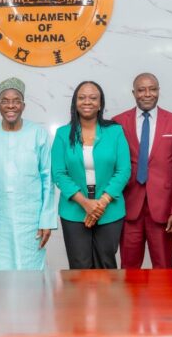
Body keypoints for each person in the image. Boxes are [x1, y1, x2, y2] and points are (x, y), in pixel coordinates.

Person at [0, 78, 56, 270]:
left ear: (23, 105)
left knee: (31, 272)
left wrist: (46, 220)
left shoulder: (38, 134)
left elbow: (47, 180)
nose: (11, 105)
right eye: (5, 101)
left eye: (16, 100)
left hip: (30, 222)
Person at [112, 73, 172, 269]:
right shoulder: (118, 122)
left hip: (163, 212)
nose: (147, 94)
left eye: (152, 89)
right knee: (128, 269)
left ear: (158, 91)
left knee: (163, 269)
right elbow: (112, 167)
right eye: (141, 90)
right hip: (129, 209)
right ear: (133, 93)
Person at [52, 81, 131, 269]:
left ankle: (107, 301)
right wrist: (86, 203)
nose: (87, 102)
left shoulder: (115, 131)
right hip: (74, 210)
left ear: (100, 103)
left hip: (110, 209)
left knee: (106, 266)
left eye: (93, 98)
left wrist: (100, 203)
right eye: (82, 97)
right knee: (80, 267)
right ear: (75, 102)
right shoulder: (63, 134)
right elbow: (59, 173)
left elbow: (124, 170)